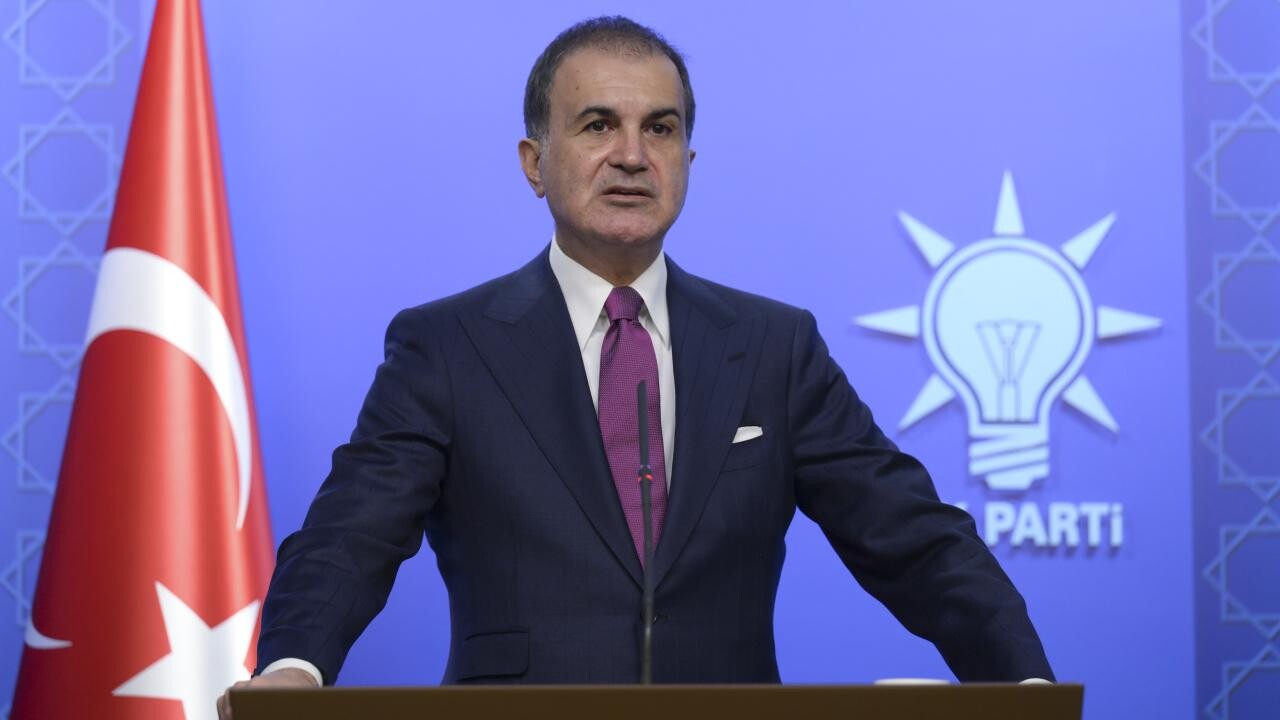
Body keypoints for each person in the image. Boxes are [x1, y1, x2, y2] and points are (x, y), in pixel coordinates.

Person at [219, 14, 1052, 718]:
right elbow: (350, 535)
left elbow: (913, 537)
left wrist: (1024, 682)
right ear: (534, 162)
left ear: (688, 160)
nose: (631, 154)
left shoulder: (773, 347)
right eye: (596, 125)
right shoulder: (447, 346)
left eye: (660, 128)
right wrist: (294, 668)